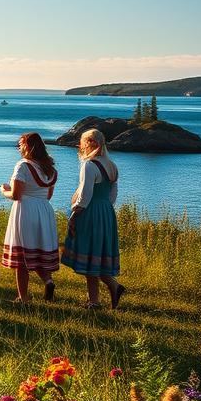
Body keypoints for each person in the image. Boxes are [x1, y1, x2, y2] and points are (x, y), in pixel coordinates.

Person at [61, 129, 127, 309]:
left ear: (91, 143)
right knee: (98, 254)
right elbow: (112, 195)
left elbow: (85, 195)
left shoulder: (89, 165)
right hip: (106, 212)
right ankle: (109, 290)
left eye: (83, 142)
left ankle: (95, 300)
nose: (80, 146)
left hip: (90, 212)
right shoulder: (112, 165)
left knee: (90, 254)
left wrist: (74, 213)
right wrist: (104, 209)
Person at [0, 132, 60, 303]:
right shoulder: (50, 169)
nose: (19, 148)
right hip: (44, 210)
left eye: (20, 145)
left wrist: (4, 190)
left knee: (23, 256)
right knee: (38, 249)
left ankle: (23, 297)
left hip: (25, 209)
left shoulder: (23, 166)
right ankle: (48, 281)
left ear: (28, 146)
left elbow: (16, 195)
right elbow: (48, 195)